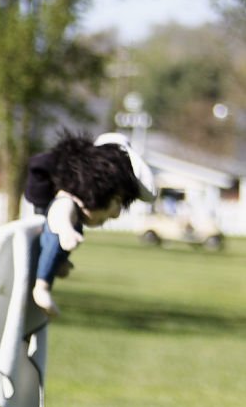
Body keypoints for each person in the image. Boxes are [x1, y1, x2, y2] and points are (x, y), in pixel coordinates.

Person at [24, 130, 154, 316]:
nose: (116, 214)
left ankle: (57, 263)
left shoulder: (75, 211)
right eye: (117, 201)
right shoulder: (65, 202)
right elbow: (59, 220)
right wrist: (66, 231)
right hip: (43, 262)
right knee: (60, 232)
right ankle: (42, 287)